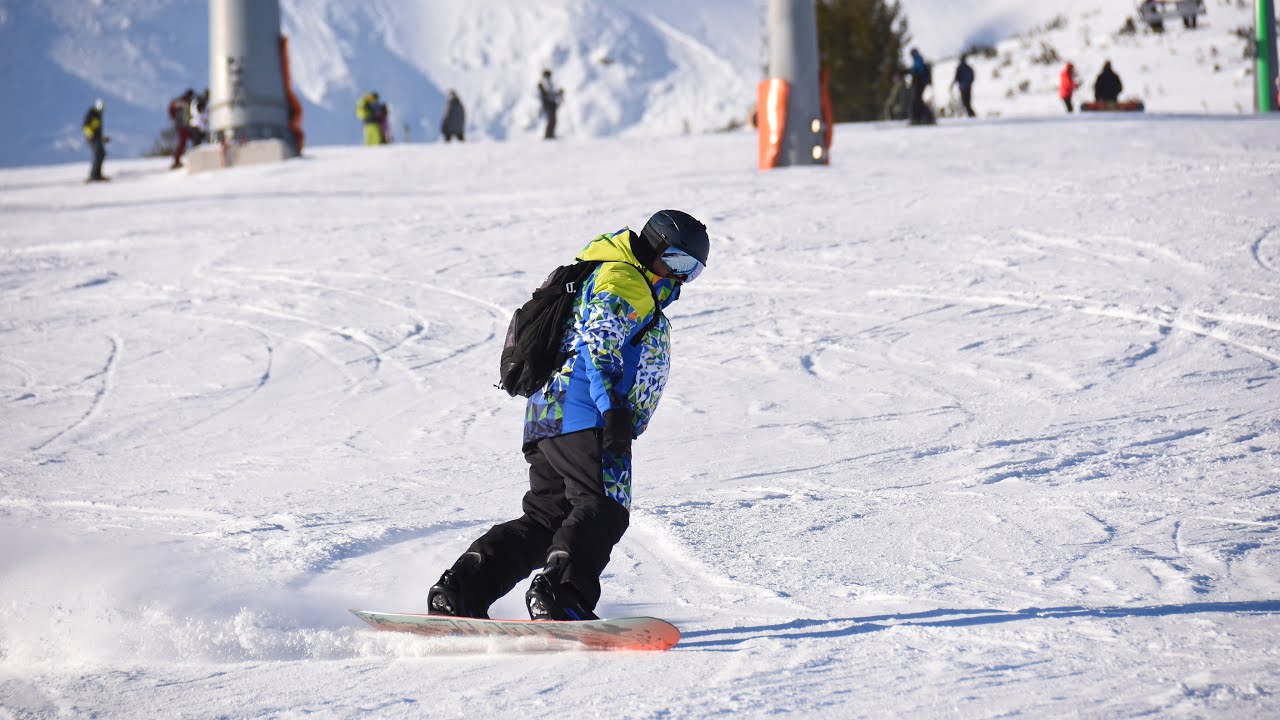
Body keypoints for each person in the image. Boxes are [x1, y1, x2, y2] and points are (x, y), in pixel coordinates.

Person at [427, 210, 711, 622]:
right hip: (589, 411)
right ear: (652, 245)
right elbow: (599, 344)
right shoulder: (626, 280)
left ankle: (461, 589)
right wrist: (612, 409)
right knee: (603, 507)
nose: (681, 277)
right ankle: (562, 593)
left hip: (547, 413)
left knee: (547, 518)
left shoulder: (603, 274)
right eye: (677, 262)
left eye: (693, 270)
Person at [168, 88, 195, 169]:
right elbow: (172, 107)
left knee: (188, 142)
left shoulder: (184, 102)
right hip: (182, 126)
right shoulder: (181, 102)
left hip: (185, 126)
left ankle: (180, 159)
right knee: (183, 143)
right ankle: (177, 161)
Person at [82, 99, 108, 182]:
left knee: (101, 154)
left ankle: (98, 174)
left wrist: (103, 138)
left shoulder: (98, 115)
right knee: (97, 155)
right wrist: (90, 134)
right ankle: (94, 175)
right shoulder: (92, 113)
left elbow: (98, 130)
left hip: (97, 138)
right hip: (92, 139)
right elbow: (86, 125)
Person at [906, 48, 934, 125]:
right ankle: (924, 117)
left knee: (916, 100)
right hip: (920, 83)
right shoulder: (918, 59)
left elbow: (918, 72)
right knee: (918, 100)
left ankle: (919, 118)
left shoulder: (918, 60)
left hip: (919, 84)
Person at [537, 69, 563, 139]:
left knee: (552, 120)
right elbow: (550, 94)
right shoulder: (547, 83)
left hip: (549, 104)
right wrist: (558, 93)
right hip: (550, 104)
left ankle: (549, 134)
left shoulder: (545, 83)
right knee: (552, 120)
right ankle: (549, 135)